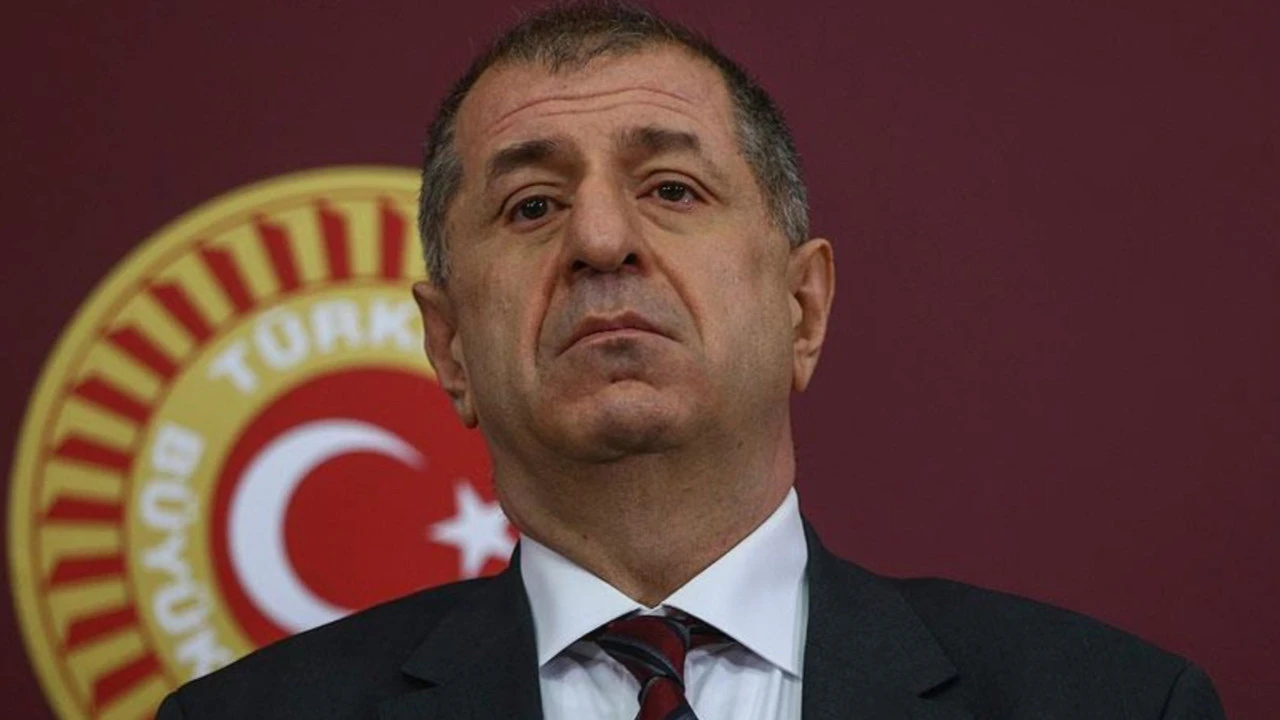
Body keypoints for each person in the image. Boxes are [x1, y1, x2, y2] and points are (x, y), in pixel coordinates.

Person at [157, 3, 1226, 718]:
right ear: (449, 350)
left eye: (671, 189)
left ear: (802, 307)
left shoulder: (1116, 705)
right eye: (531, 206)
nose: (599, 240)